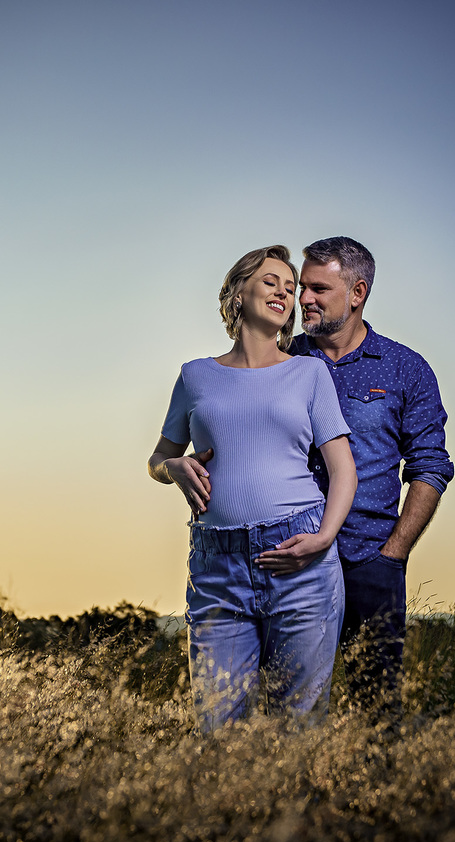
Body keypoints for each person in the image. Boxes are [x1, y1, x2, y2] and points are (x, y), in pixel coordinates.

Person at [148, 245, 358, 733]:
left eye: (290, 286)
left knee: (297, 733)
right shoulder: (195, 376)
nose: (284, 292)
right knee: (218, 733)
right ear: (238, 292)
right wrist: (173, 468)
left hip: (300, 560)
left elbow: (343, 470)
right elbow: (157, 460)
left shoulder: (309, 372)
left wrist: (324, 538)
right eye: (270, 281)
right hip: (217, 567)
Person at [289, 236, 454, 714]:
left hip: (369, 562)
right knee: (291, 708)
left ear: (357, 292)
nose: (304, 299)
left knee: (376, 711)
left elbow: (430, 466)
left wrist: (393, 555)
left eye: (319, 289)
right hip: (291, 560)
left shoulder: (406, 369)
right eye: (302, 287)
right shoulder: (281, 360)